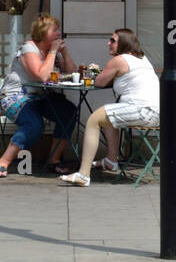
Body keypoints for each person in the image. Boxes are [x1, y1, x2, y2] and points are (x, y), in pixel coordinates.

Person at [59, 29, 159, 187]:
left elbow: (99, 82)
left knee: (94, 120)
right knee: (108, 115)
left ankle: (83, 175)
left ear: (123, 43)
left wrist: (94, 71)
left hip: (141, 111)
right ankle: (112, 160)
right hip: (155, 113)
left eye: (112, 40)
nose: (108, 43)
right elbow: (120, 78)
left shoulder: (119, 60)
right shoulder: (142, 59)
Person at [0, 13, 78, 178]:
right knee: (34, 124)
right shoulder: (29, 48)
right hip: (15, 97)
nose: (58, 34)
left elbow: (73, 74)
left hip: (39, 98)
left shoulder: (51, 52)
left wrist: (65, 53)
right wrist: (53, 52)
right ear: (43, 31)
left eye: (58, 30)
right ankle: (4, 161)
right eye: (55, 30)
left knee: (69, 112)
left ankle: (54, 159)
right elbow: (42, 76)